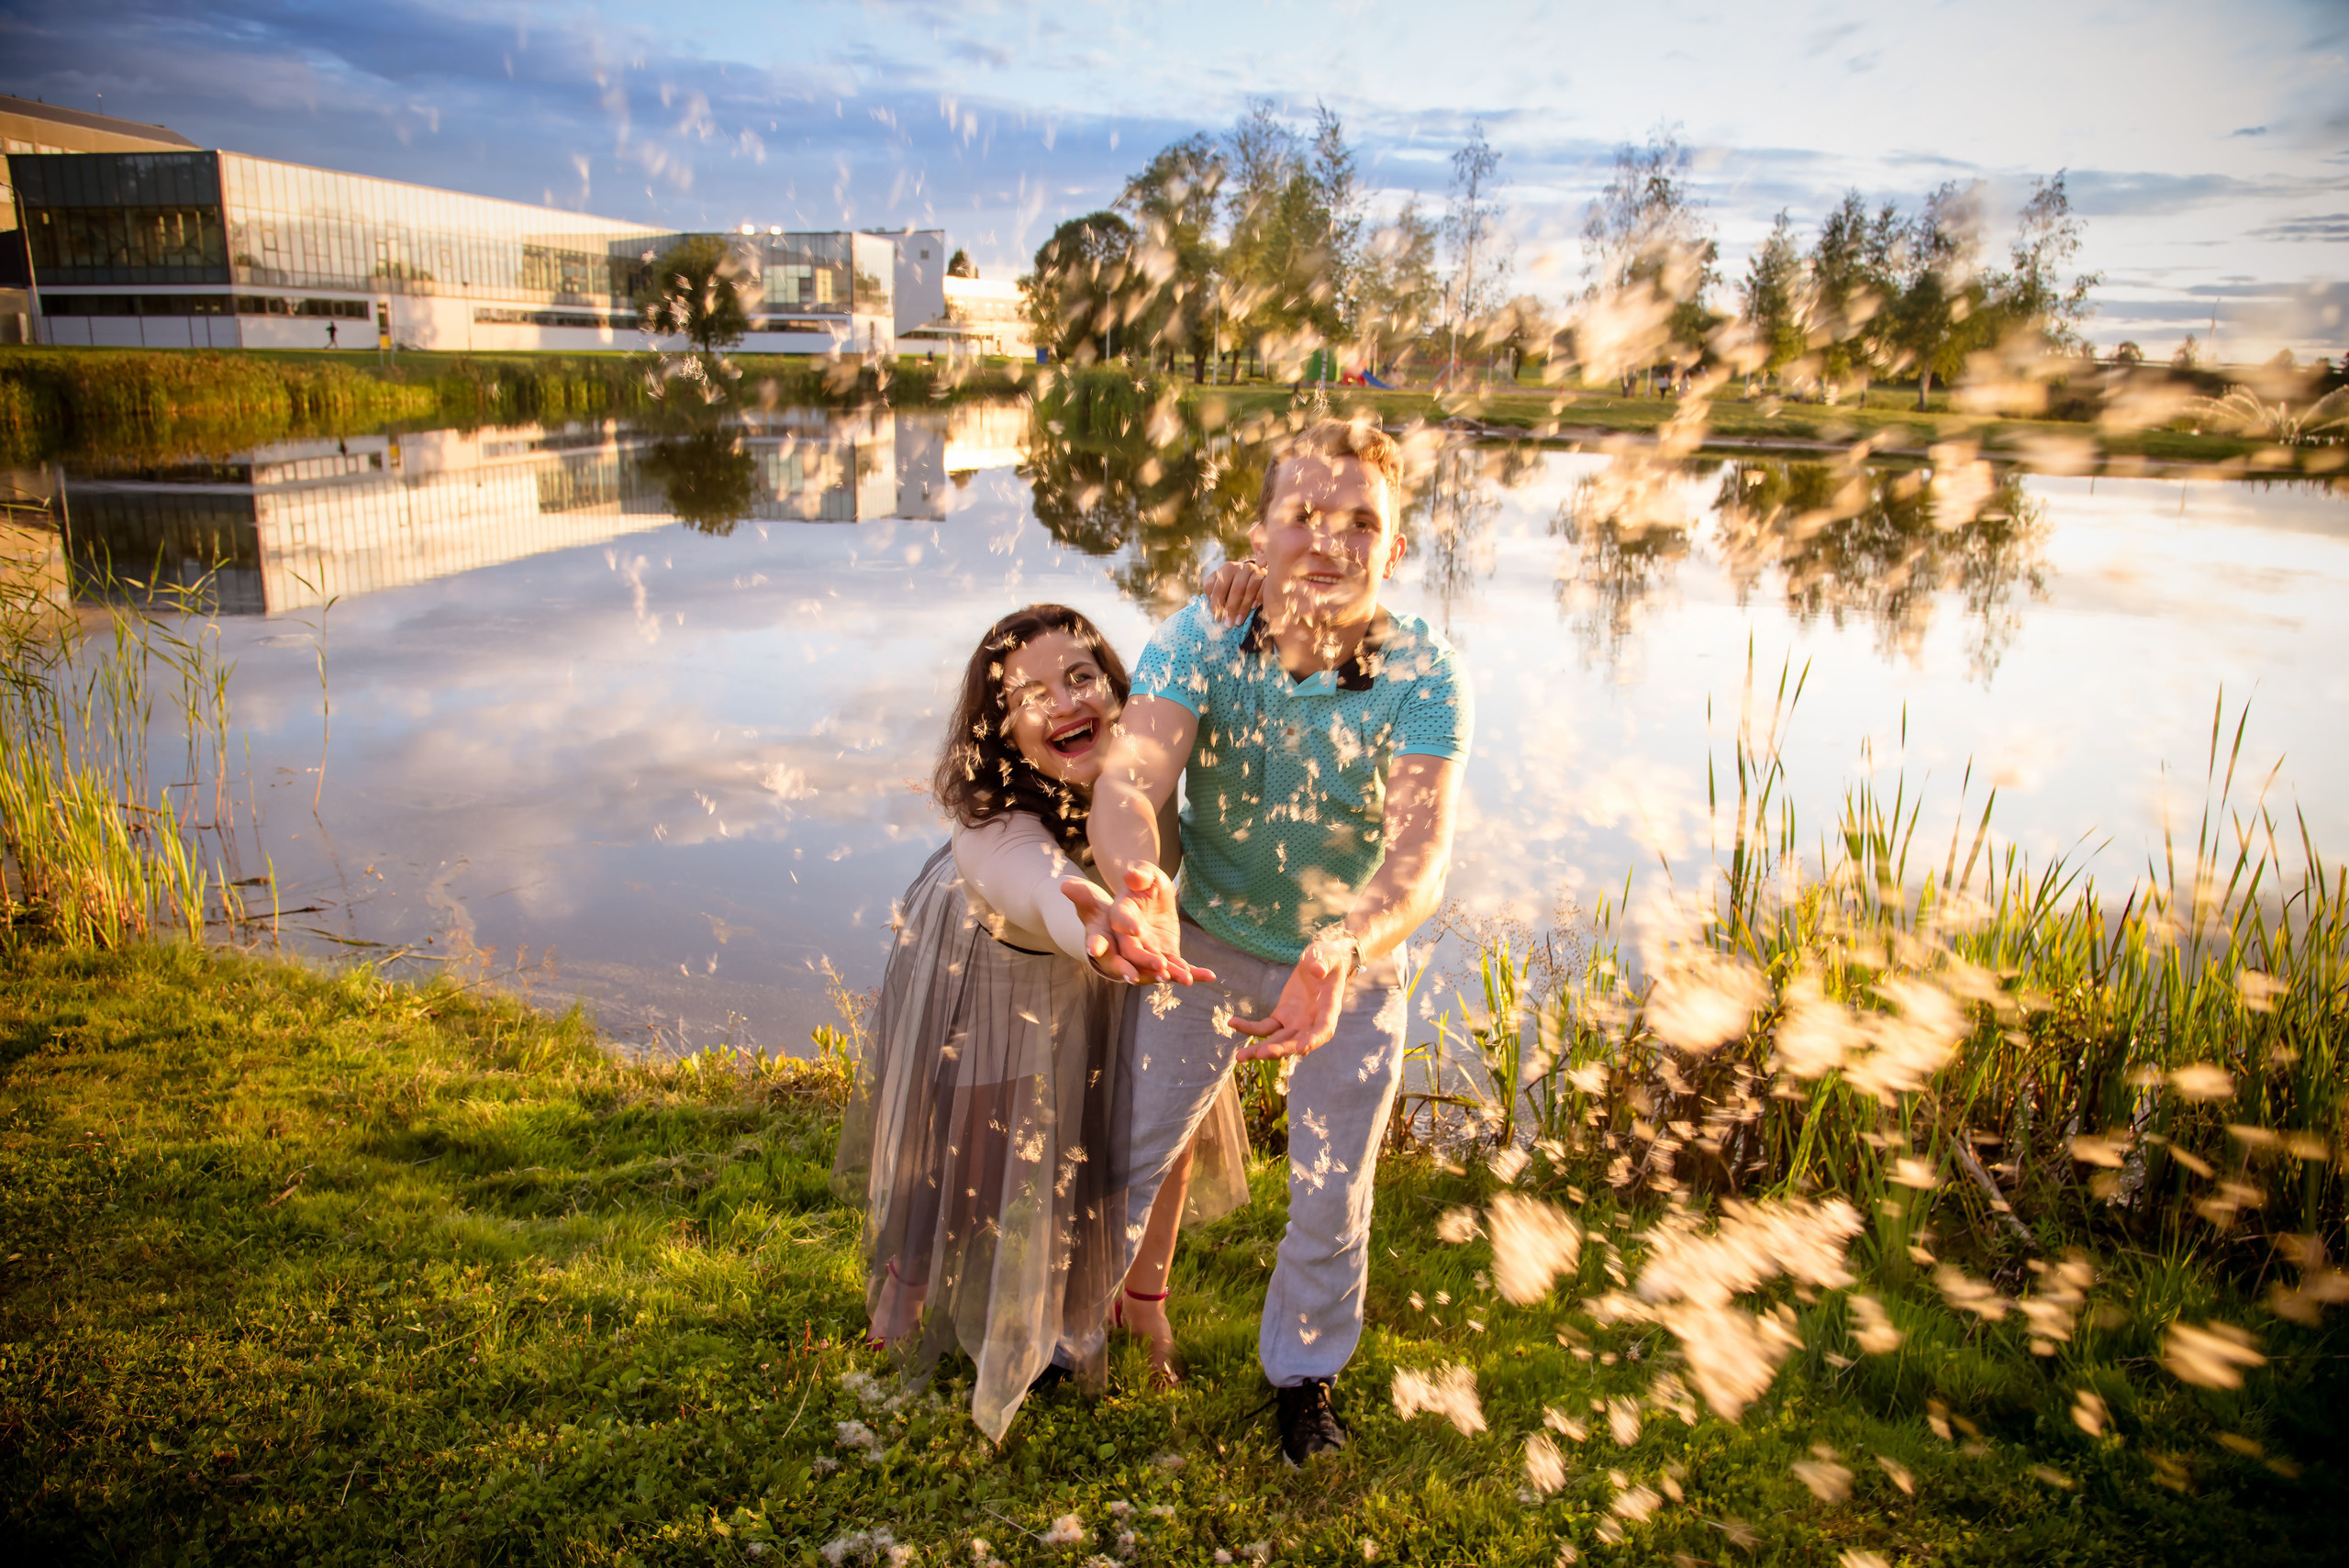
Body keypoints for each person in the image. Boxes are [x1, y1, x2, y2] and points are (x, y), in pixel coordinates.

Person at [1073, 417, 1472, 1466]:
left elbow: (1420, 854)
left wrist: (1342, 947)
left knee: (1333, 1186)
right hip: (1202, 935)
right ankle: (1066, 1335)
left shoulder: (1425, 671)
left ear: (1395, 546)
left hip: (1348, 959)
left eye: (1360, 522)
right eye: (1301, 514)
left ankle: (1303, 1378)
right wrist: (1139, 881)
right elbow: (1129, 784)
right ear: (1257, 534)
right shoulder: (1203, 634)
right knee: (1126, 1148)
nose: (1329, 540)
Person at [830, 588, 1261, 1442]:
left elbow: (1236, 667)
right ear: (1000, 728)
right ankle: (907, 1282)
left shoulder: (1150, 764)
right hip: (1000, 962)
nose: (1065, 703)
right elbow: (1039, 884)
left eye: (1081, 676)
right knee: (970, 1138)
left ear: (1118, 685)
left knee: (1170, 1115)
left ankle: (1145, 1300)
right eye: (1031, 695)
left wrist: (1240, 593)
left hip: (1135, 948)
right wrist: (1090, 923)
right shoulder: (991, 824)